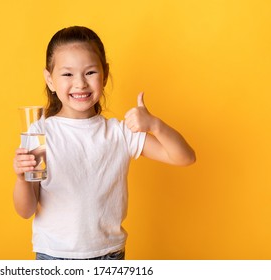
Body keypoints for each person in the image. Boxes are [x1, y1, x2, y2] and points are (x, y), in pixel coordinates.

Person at [13, 26, 196, 260]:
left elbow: (184, 157)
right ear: (50, 79)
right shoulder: (39, 133)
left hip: (109, 255)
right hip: (54, 255)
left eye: (89, 72)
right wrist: (21, 179)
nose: (80, 83)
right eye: (67, 74)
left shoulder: (119, 133)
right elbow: (25, 210)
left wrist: (154, 125)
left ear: (105, 74)